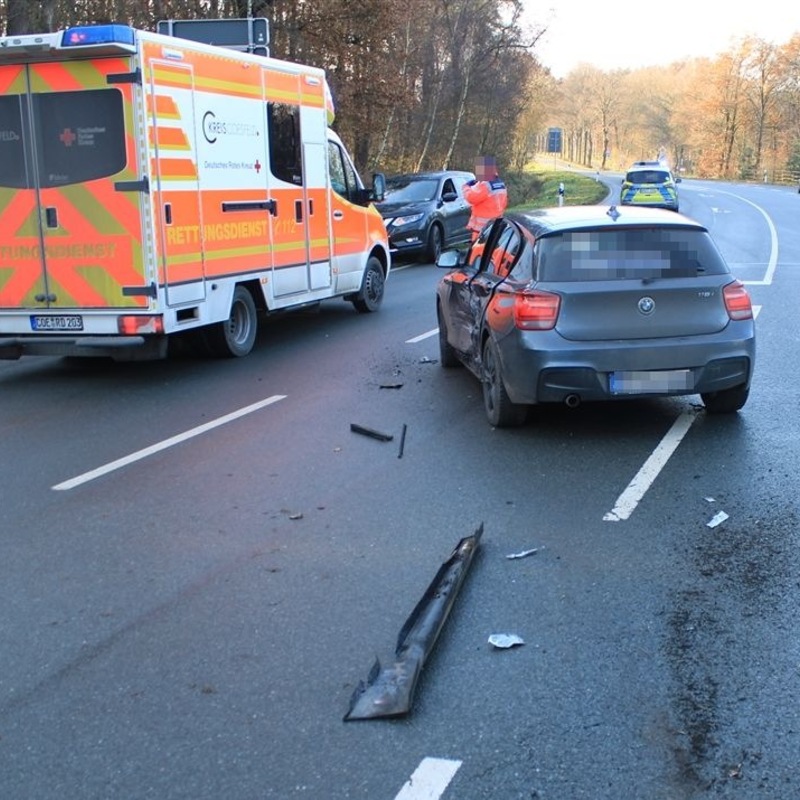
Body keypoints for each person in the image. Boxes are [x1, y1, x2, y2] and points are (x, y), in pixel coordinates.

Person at [463, 156, 508, 242]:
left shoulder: (485, 184)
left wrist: (466, 187)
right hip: (496, 224)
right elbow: (504, 203)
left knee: (477, 251)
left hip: (482, 229)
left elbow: (471, 198)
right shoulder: (501, 184)